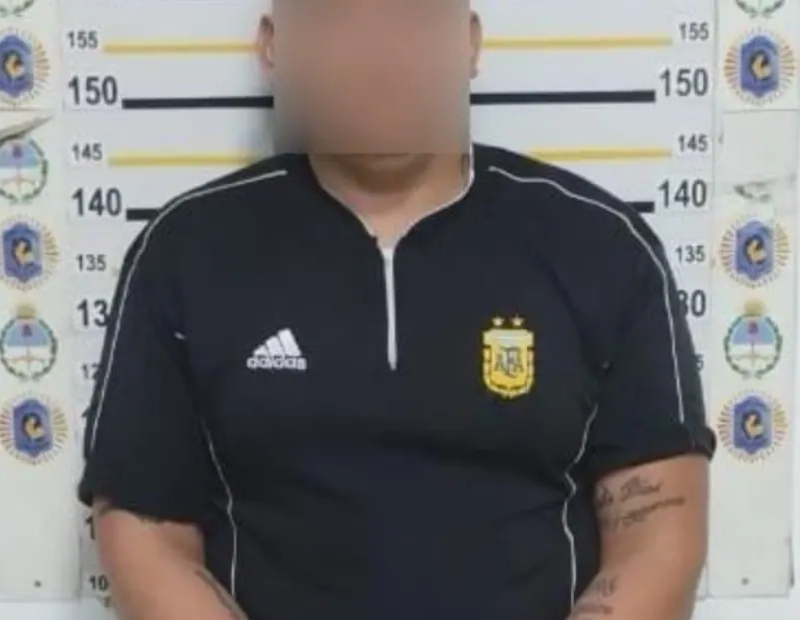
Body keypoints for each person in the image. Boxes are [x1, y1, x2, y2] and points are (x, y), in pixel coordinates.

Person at [77, 1, 716, 619]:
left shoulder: (602, 247)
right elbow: (145, 532)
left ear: (469, 42)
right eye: (334, 17)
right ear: (274, 47)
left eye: (414, 15)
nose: (378, 51)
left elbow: (658, 536)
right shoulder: (186, 252)